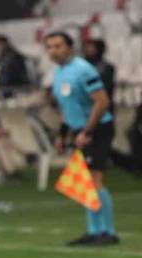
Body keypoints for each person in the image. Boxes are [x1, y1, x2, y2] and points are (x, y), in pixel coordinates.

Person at [45, 31, 118, 246]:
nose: (53, 51)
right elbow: (67, 107)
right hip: (80, 131)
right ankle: (94, 231)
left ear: (69, 47)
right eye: (49, 47)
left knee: (95, 179)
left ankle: (108, 231)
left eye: (58, 46)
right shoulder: (59, 72)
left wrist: (87, 131)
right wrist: (62, 135)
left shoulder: (83, 70)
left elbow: (102, 101)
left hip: (98, 129)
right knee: (85, 181)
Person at [83, 39, 116, 113]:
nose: (89, 50)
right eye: (87, 47)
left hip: (101, 105)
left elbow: (106, 88)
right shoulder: (80, 66)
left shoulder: (106, 67)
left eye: (92, 47)